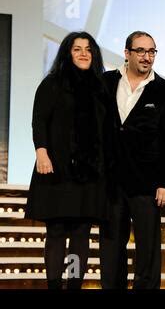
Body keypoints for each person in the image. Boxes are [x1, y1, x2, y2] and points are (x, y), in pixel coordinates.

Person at [26, 31, 109, 289]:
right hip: (56, 169)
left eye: (88, 49)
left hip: (89, 172)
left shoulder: (101, 88)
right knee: (57, 232)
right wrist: (41, 151)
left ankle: (73, 286)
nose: (84, 53)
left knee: (81, 235)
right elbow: (39, 120)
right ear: (67, 53)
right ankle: (54, 286)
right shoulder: (52, 83)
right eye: (77, 49)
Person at [99, 31, 165, 289]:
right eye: (141, 51)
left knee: (148, 250)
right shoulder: (104, 83)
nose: (147, 57)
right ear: (127, 53)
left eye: (152, 51)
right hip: (110, 181)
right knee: (111, 248)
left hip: (147, 183)